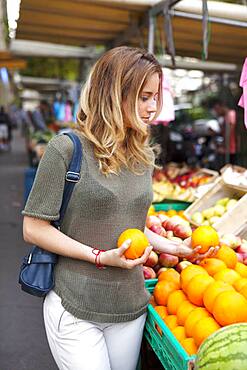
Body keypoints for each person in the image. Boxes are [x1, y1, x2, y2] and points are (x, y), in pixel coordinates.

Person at [22, 46, 215, 370]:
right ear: (113, 93)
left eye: (155, 96)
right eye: (143, 97)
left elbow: (129, 225)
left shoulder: (144, 155)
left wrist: (174, 247)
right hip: (75, 305)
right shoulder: (66, 149)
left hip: (130, 305)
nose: (153, 107)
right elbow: (33, 228)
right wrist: (98, 257)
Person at [208, 98, 237, 169]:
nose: (216, 112)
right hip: (227, 149)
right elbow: (223, 133)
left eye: (217, 109)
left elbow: (229, 134)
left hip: (231, 149)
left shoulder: (231, 115)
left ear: (222, 107)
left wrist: (223, 146)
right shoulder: (225, 117)